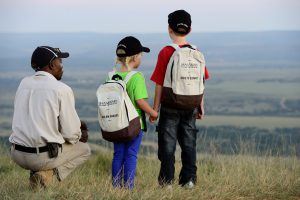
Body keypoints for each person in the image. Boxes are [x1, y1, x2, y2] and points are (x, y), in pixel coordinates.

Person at [9, 46, 91, 189]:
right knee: (84, 150)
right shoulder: (61, 89)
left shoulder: (23, 84)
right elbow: (71, 134)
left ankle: (37, 176)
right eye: (60, 61)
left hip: (17, 153)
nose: (62, 66)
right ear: (52, 64)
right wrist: (80, 134)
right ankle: (47, 176)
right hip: (41, 157)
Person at [150, 10, 210, 188]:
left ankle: (167, 182)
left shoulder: (166, 52)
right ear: (189, 30)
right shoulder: (196, 52)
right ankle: (189, 181)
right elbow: (201, 81)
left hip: (170, 105)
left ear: (169, 29)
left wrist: (155, 109)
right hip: (191, 105)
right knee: (189, 145)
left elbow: (159, 83)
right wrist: (201, 105)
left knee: (167, 147)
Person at [109, 36, 158, 189]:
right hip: (133, 125)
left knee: (118, 154)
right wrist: (153, 113)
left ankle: (116, 187)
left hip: (116, 123)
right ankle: (128, 187)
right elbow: (140, 101)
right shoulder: (136, 77)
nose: (141, 58)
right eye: (141, 55)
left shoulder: (111, 76)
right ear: (135, 57)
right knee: (131, 154)